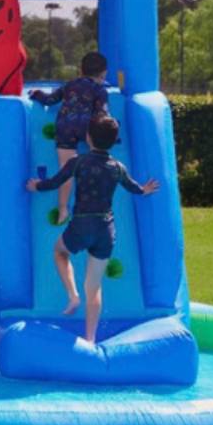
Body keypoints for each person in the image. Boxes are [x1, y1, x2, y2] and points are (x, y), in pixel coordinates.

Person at [25, 115, 159, 344]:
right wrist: (145, 190)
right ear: (114, 140)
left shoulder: (78, 162)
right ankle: (90, 339)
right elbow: (134, 188)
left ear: (88, 137)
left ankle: (72, 296)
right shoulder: (118, 168)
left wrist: (36, 186)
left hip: (82, 224)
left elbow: (55, 182)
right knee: (94, 287)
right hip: (105, 229)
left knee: (60, 252)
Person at [29, 51, 110, 225]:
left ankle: (63, 208)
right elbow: (102, 113)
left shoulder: (69, 85)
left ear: (80, 70)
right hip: (86, 127)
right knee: (98, 160)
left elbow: (50, 100)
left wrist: (36, 94)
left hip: (65, 126)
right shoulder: (100, 90)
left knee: (66, 169)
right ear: (103, 74)